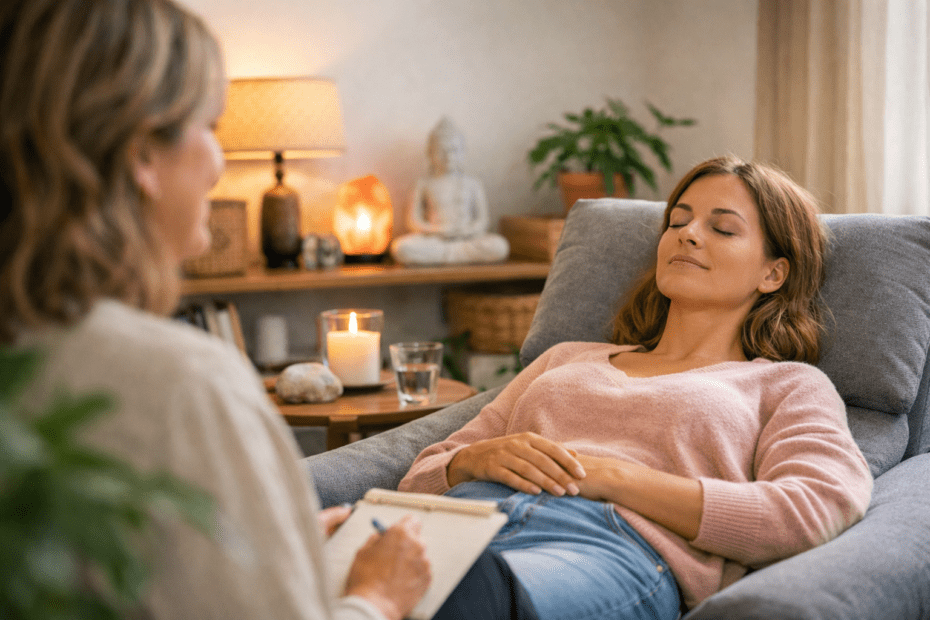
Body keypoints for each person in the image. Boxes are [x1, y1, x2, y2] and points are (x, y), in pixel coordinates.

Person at [0, 1, 536, 619]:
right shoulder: (183, 385)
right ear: (142, 155)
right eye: (210, 126)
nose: (219, 161)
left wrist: (283, 550)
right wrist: (377, 599)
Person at [398, 156, 874, 618]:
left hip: (603, 547)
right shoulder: (565, 357)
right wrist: (471, 460)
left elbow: (814, 508)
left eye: (722, 228)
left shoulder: (786, 385)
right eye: (678, 222)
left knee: (453, 588)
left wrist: (613, 478)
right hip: (471, 514)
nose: (688, 234)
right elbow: (418, 479)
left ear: (773, 273)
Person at [390, 117, 510, 265]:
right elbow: (413, 222)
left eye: (453, 151)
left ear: (462, 152)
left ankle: (448, 256)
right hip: (435, 239)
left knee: (499, 245)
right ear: (431, 153)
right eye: (442, 152)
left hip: (465, 239)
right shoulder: (423, 184)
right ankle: (452, 255)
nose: (448, 157)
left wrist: (466, 231)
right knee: (401, 247)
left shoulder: (472, 184)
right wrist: (437, 230)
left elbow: (482, 221)